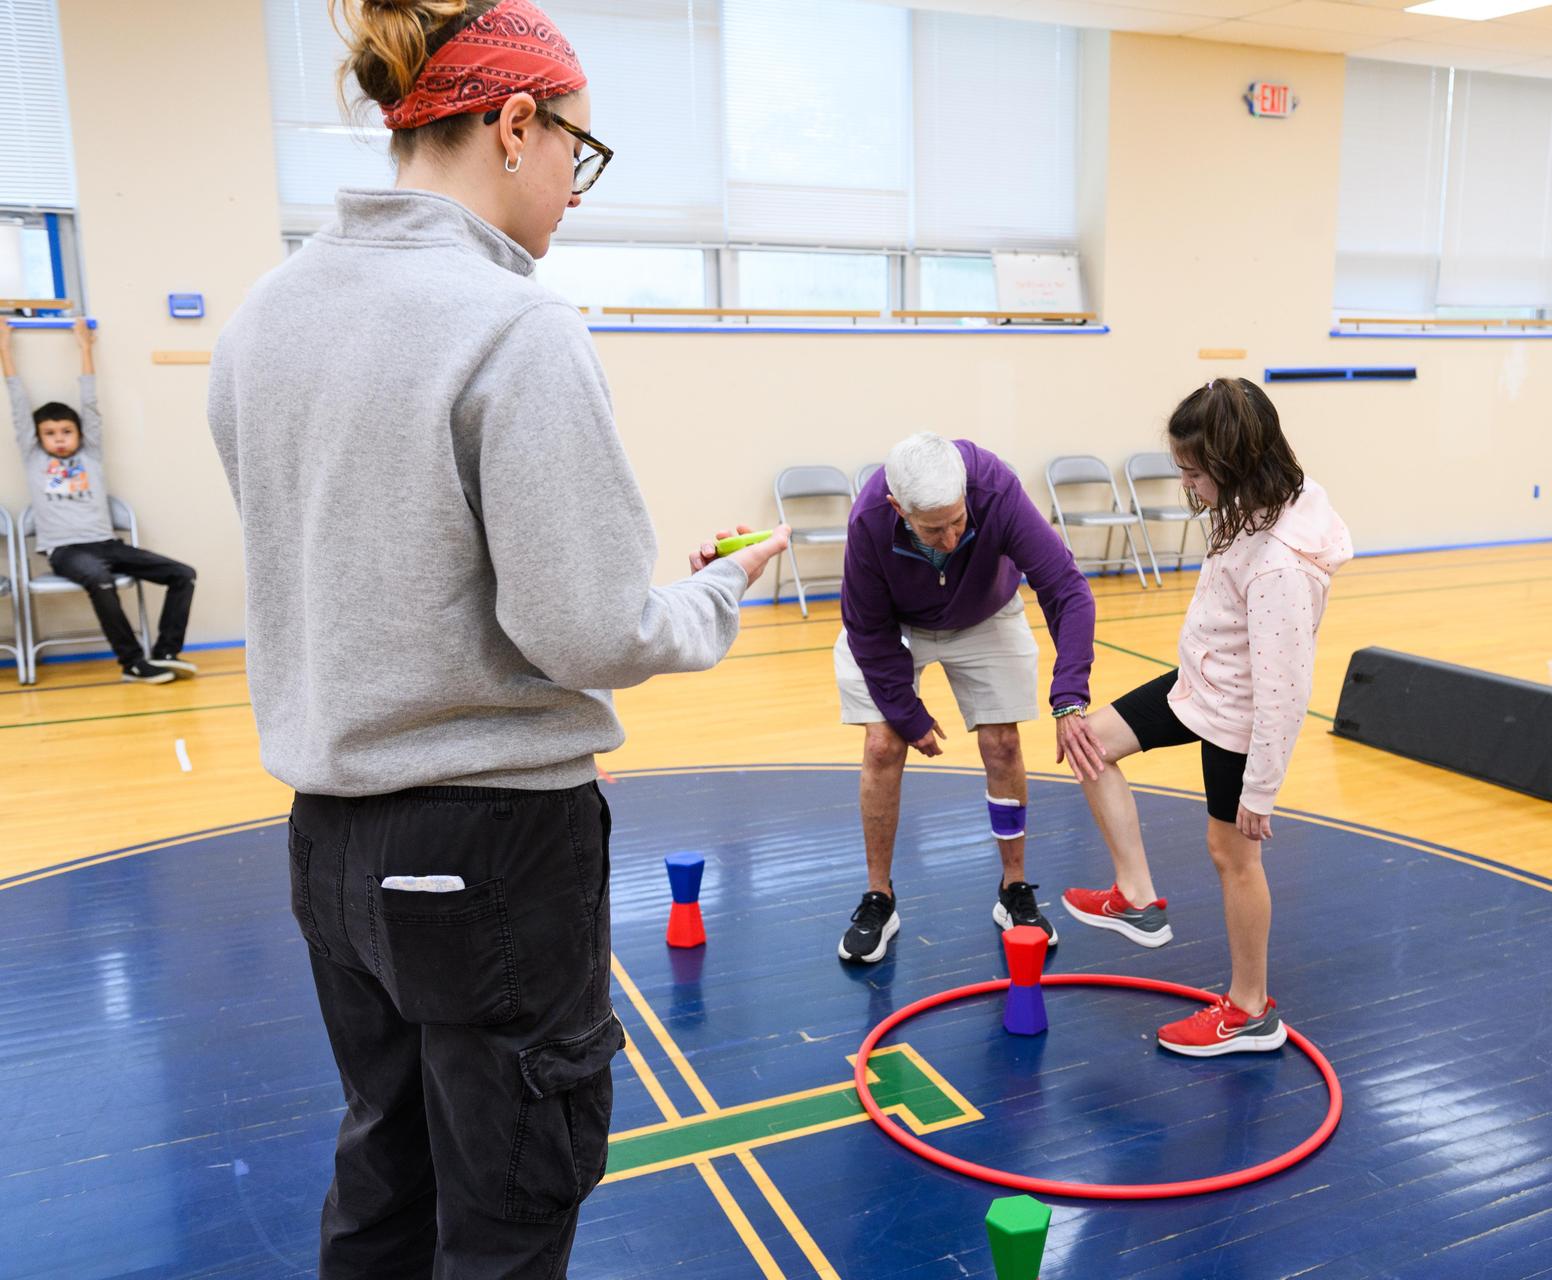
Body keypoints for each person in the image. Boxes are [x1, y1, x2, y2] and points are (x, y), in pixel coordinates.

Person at [207, 1, 788, 1274]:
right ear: (515, 124)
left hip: (331, 844)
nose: (576, 193)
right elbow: (583, 625)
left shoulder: (261, 320)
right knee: (510, 1212)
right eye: (576, 153)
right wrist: (717, 596)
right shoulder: (514, 325)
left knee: (385, 1166)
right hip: (491, 859)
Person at [1059, 378, 1352, 1057]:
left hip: (1241, 718)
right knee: (1088, 742)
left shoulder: (1281, 564)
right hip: (1203, 684)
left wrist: (1261, 790)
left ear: (1232, 463)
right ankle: (1136, 895)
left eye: (1193, 473)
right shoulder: (1266, 500)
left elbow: (1284, 687)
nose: (1187, 486)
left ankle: (1251, 1010)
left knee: (1233, 855)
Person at [834, 432, 1105, 963]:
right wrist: (907, 715)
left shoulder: (995, 489)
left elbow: (1066, 589)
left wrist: (1069, 694)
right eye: (934, 528)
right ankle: (878, 897)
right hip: (894, 626)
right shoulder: (868, 521)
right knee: (883, 745)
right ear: (898, 509)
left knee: (1004, 744)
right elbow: (867, 632)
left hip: (986, 612)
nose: (952, 536)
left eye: (959, 521)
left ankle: (1015, 889)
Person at [3, 318, 197, 683]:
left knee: (183, 575)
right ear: (38, 438)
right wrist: (4, 350)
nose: (59, 439)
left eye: (66, 432)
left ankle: (166, 652)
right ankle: (132, 664)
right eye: (50, 433)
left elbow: (90, 402)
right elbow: (17, 404)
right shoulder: (34, 458)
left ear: (78, 434)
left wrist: (85, 347)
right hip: (65, 550)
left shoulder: (91, 454)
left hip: (107, 544)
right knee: (99, 578)